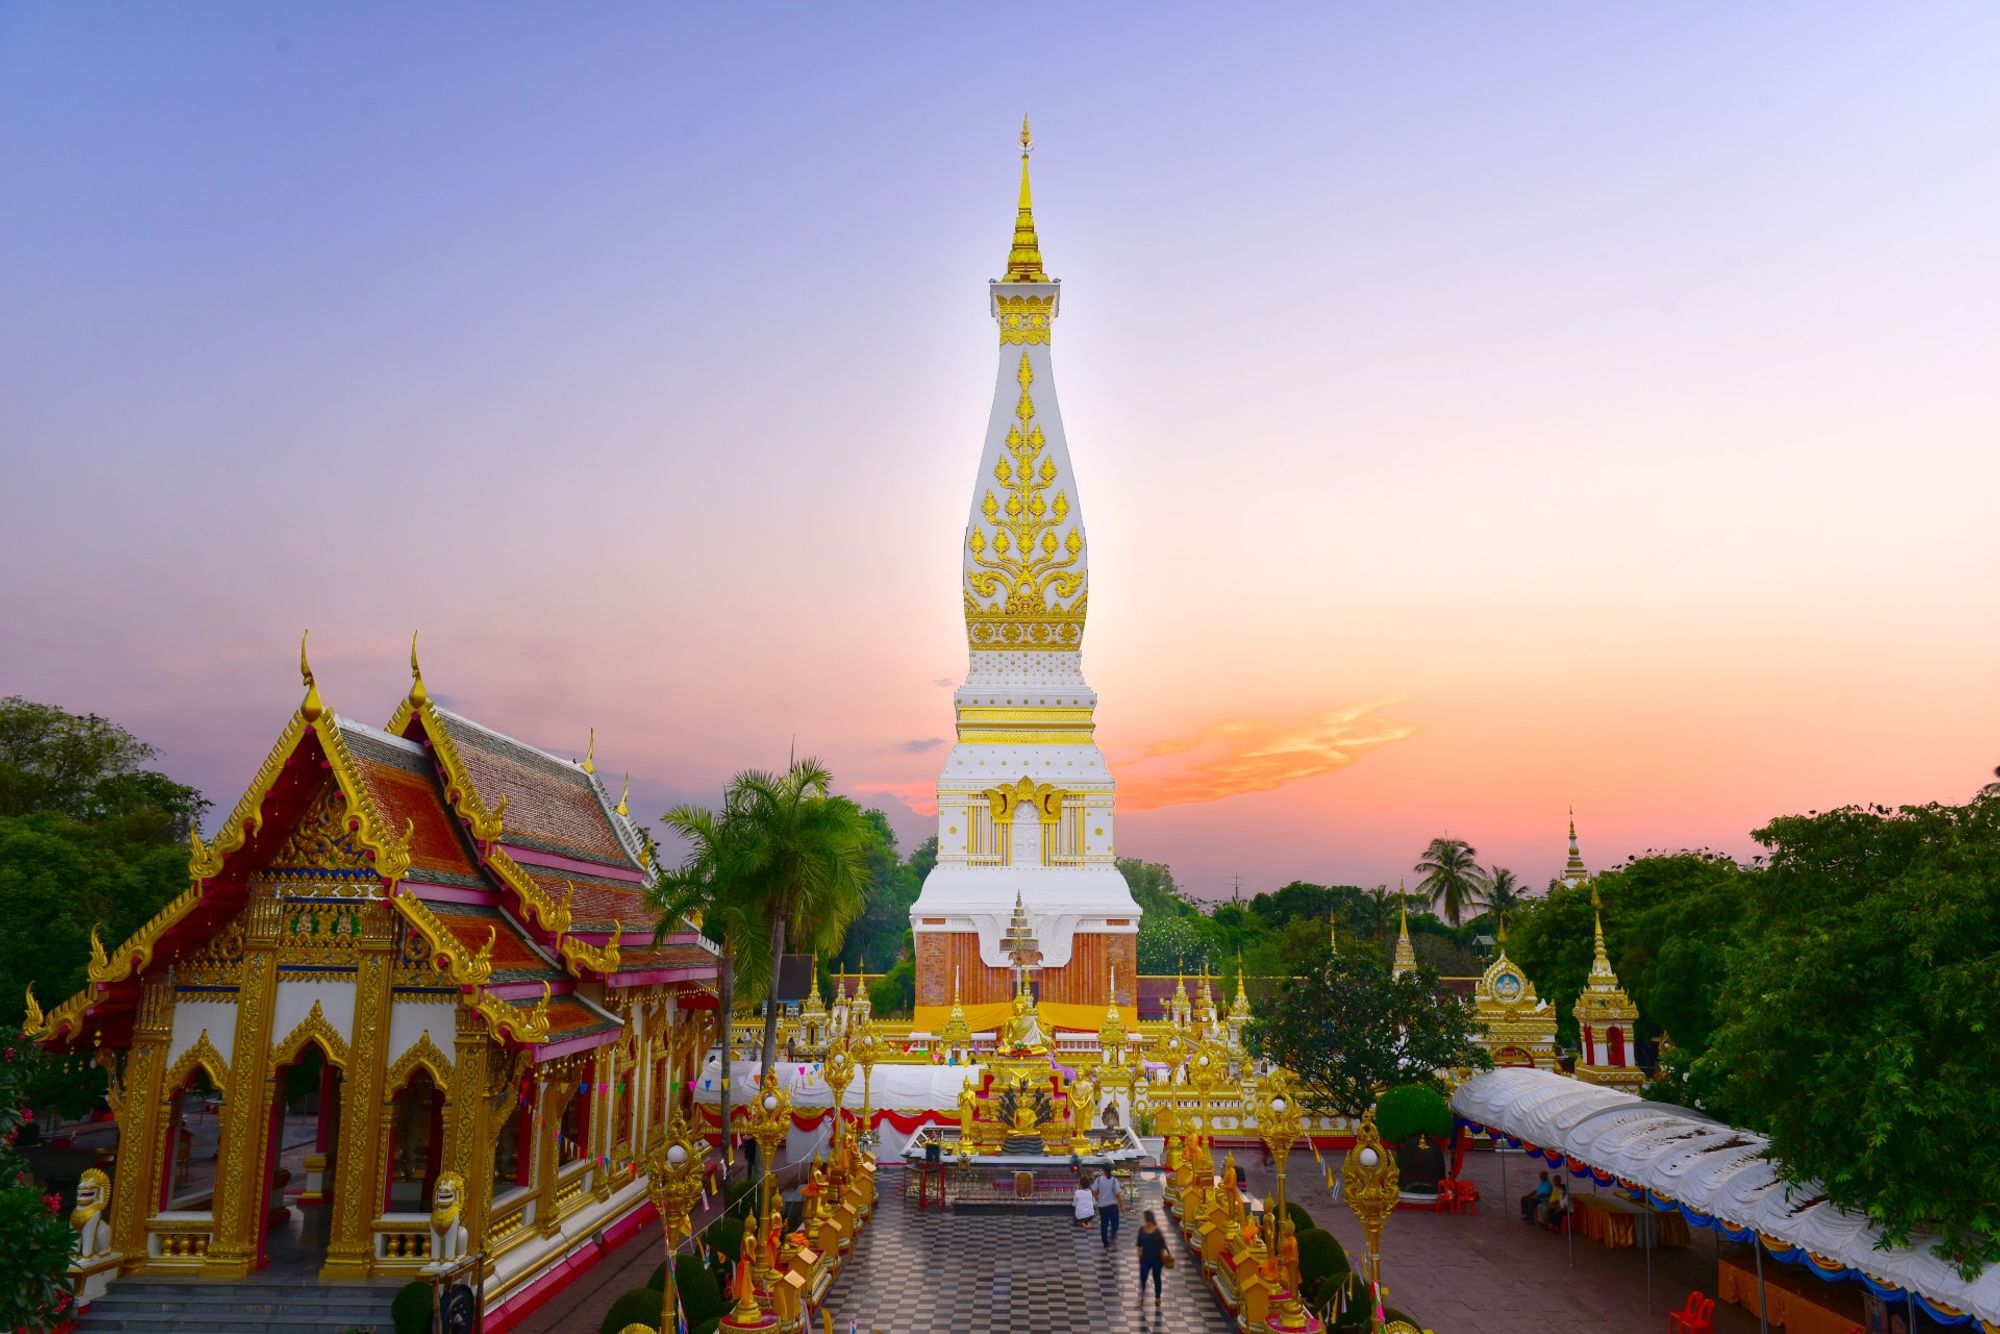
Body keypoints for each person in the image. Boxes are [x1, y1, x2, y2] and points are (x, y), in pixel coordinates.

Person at [1134, 1209, 1167, 1305]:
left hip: (1156, 1260)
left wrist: (1162, 1257)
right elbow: (1139, 1244)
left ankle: (1157, 1297)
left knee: (1157, 1278)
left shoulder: (1157, 1232)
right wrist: (1139, 1254)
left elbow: (1162, 1246)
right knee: (1143, 1278)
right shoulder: (1141, 1230)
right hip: (1145, 1259)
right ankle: (1142, 1297)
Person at [1093, 1168, 1121, 1247]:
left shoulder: (1098, 1180)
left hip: (1102, 1206)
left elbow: (1093, 1190)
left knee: (1104, 1224)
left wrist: (1097, 1198)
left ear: (1103, 1171)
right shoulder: (1114, 1180)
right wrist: (1121, 1206)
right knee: (1115, 1222)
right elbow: (1118, 1194)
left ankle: (1105, 1242)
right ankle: (1113, 1233)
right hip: (1112, 1205)